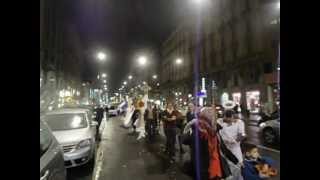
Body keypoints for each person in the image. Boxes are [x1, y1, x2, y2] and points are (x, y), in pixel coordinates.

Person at [183, 107, 240, 180]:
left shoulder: (215, 130)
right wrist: (188, 128)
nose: (215, 118)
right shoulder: (197, 132)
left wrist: (236, 161)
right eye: (214, 116)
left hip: (216, 169)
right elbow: (184, 141)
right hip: (204, 171)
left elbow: (223, 148)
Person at [217, 110, 246, 180]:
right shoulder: (220, 122)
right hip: (224, 151)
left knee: (238, 169)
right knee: (227, 171)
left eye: (231, 118)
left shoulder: (239, 122)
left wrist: (235, 141)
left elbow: (242, 135)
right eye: (227, 118)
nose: (230, 120)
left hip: (235, 150)